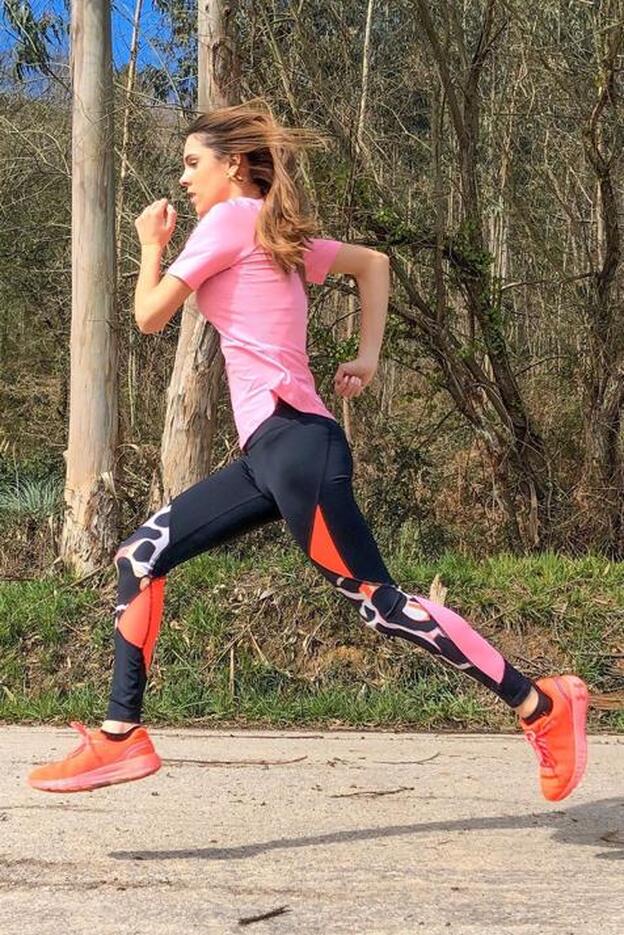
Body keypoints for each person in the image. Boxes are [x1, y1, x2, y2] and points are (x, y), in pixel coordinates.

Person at [28, 102, 588, 802]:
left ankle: (543, 704)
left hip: (294, 446)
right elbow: (373, 264)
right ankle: (121, 735)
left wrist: (149, 244)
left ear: (234, 166)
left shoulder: (230, 220)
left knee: (382, 605)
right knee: (140, 556)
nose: (184, 177)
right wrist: (368, 356)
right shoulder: (275, 231)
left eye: (193, 163)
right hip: (270, 454)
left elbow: (147, 316)